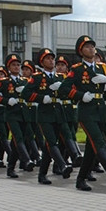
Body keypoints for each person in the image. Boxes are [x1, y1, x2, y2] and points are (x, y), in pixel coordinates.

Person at [60, 35, 106, 190]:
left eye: (92, 46)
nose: (91, 49)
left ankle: (80, 179)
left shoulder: (102, 68)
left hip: (101, 109)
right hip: (86, 111)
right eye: (87, 46)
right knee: (97, 139)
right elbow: (63, 89)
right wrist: (81, 96)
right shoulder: (77, 70)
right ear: (81, 51)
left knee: (91, 147)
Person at [23, 48, 73, 184]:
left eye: (52, 58)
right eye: (47, 58)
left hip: (58, 112)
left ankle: (42, 174)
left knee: (49, 145)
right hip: (45, 114)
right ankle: (63, 166)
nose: (51, 61)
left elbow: (69, 93)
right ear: (41, 61)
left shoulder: (60, 77)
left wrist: (62, 89)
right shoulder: (37, 77)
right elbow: (26, 94)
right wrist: (41, 98)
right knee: (51, 142)